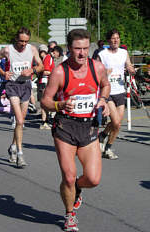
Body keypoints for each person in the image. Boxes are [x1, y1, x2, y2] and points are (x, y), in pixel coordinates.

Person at [41, 29, 110, 231]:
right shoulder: (60, 71)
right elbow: (45, 100)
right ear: (69, 49)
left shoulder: (96, 67)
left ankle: (77, 188)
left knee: (93, 179)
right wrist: (59, 105)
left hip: (88, 126)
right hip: (65, 127)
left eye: (86, 48)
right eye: (78, 49)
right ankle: (69, 214)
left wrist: (103, 100)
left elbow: (105, 85)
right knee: (69, 176)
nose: (82, 53)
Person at [0, 27, 43, 168]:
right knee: (19, 120)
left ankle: (13, 146)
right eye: (21, 41)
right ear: (16, 39)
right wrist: (3, 72)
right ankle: (20, 154)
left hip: (26, 85)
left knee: (21, 122)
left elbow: (41, 66)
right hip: (12, 85)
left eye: (26, 41)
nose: (23, 44)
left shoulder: (32, 49)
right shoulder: (8, 50)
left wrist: (31, 70)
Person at [97, 29, 135, 159]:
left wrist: (131, 69)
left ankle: (103, 137)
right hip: (108, 92)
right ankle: (107, 149)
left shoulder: (124, 53)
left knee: (116, 124)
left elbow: (128, 65)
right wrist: (104, 74)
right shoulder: (102, 54)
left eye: (117, 38)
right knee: (117, 122)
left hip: (120, 90)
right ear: (108, 40)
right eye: (113, 38)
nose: (115, 40)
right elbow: (95, 72)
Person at [38, 44, 54, 129]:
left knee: (44, 102)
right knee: (45, 103)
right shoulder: (47, 58)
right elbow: (46, 71)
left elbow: (44, 71)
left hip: (43, 81)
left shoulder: (45, 58)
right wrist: (55, 73)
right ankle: (44, 122)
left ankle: (45, 121)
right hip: (46, 82)